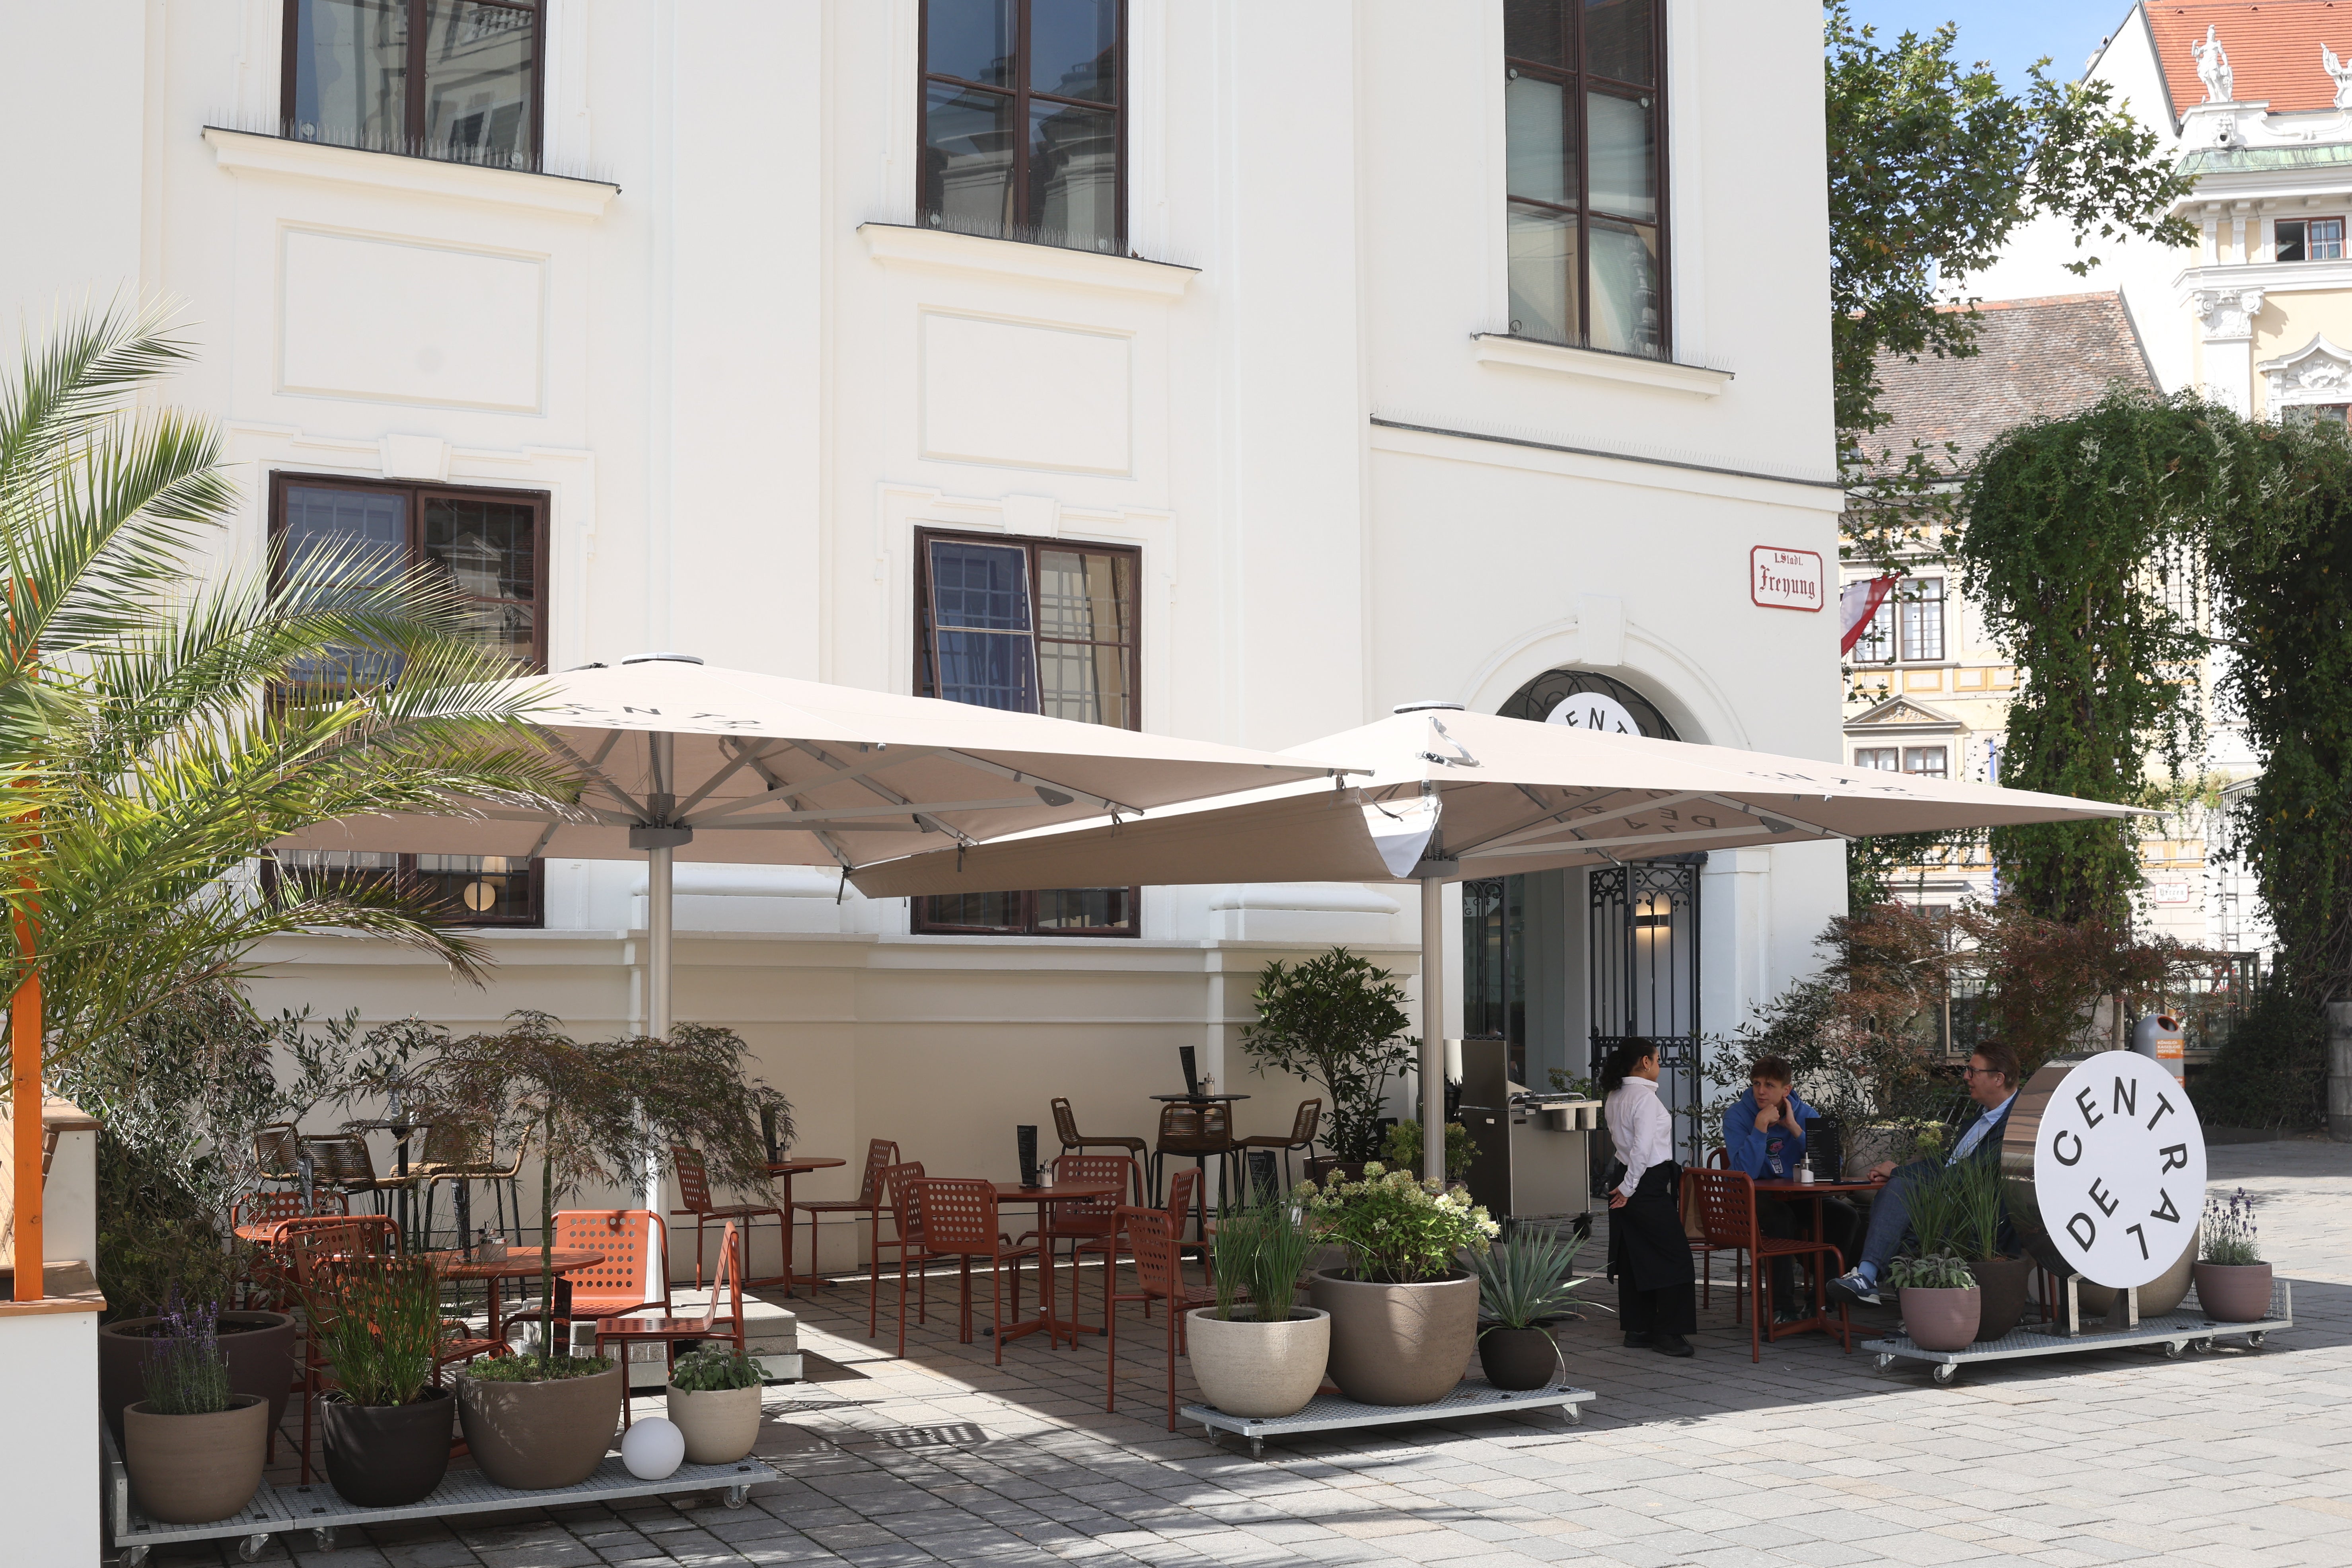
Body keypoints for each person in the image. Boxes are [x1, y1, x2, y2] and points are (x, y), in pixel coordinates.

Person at [1826, 1044, 2022, 1308]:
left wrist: (1899, 1172)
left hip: (1979, 1221)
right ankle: (1890, 1296)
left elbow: (1968, 1174)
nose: (1966, 1077)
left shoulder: (2015, 1124)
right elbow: (1950, 1161)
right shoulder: (1982, 1116)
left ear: (1998, 1078)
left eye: (1973, 1071)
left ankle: (1870, 1281)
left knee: (1900, 1195)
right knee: (1898, 1204)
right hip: (1947, 1205)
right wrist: (1900, 1171)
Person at [1721, 1056, 1857, 1321]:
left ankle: (1821, 1303)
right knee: (1779, 1218)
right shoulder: (1737, 1115)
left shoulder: (1805, 1114)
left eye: (1769, 1085)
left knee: (1845, 1216)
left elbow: (1832, 1167)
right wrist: (1760, 1127)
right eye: (1756, 1083)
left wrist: (1795, 1129)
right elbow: (1743, 1173)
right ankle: (1781, 1308)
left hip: (1796, 1197)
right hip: (1751, 1198)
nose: (1761, 1091)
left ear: (1786, 1090)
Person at [1602, 1039, 1696, 1357]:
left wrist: (1626, 1184)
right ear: (1645, 1061)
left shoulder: (1615, 1094)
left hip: (1630, 1177)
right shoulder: (1643, 1097)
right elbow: (1641, 1148)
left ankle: (1639, 1328)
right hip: (1643, 1181)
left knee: (1635, 1253)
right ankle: (1668, 1332)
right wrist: (1629, 1188)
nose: (1659, 1065)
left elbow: (1622, 1143)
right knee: (1675, 1255)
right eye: (1657, 1060)